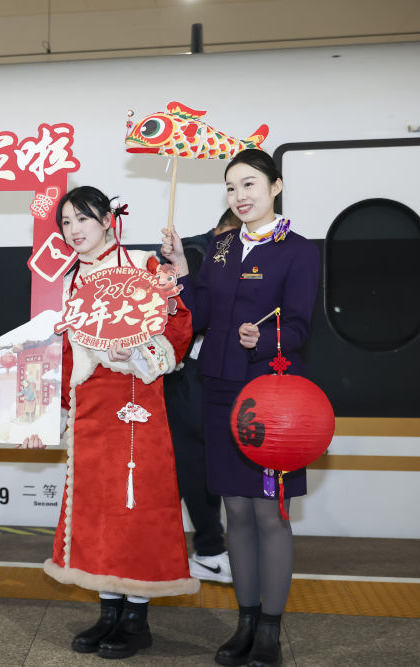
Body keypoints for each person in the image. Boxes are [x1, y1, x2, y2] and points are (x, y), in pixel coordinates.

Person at [20, 186, 198, 660]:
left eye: (83, 219)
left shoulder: (144, 266)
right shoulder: (72, 280)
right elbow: (63, 351)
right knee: (95, 506)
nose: (74, 230)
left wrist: (138, 349)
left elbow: (179, 326)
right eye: (65, 223)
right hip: (89, 405)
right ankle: (108, 610)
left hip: (136, 399)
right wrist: (54, 409)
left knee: (135, 505)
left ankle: (136, 619)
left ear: (107, 220)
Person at [161, 149, 320, 667]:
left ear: (275, 187)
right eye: (231, 188)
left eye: (249, 185)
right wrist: (183, 273)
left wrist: (265, 335)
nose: (240, 196)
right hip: (221, 390)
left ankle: (270, 630)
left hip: (272, 398)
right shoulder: (223, 246)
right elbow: (201, 310)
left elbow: (299, 326)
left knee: (270, 514)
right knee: (235, 511)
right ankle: (245, 620)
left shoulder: (298, 250)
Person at [162, 209, 242, 584]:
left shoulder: (247, 254)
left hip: (218, 374)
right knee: (194, 466)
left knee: (203, 468)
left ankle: (204, 548)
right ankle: (209, 549)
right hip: (186, 377)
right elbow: (194, 316)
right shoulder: (192, 253)